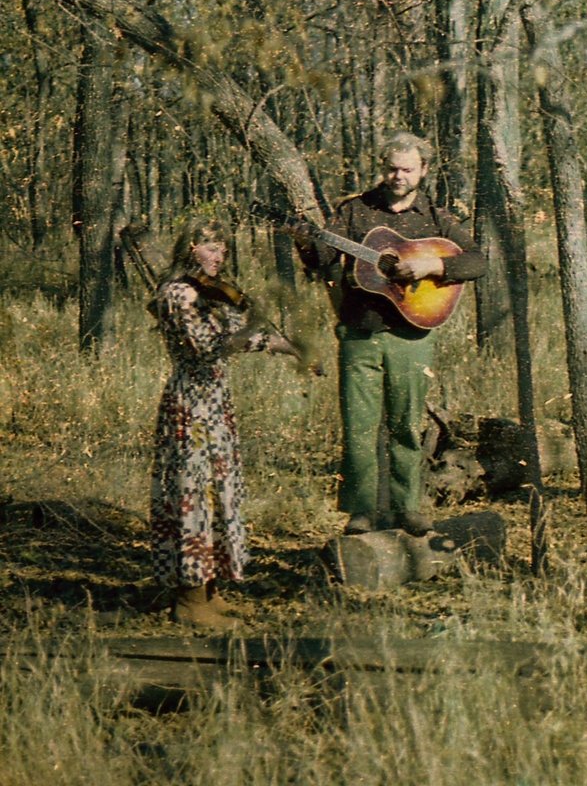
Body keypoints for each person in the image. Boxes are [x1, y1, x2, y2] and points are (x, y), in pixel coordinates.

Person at [296, 131, 487, 537]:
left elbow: (476, 261)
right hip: (359, 333)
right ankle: (362, 511)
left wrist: (432, 268)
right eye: (391, 168)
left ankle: (409, 507)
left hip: (412, 332)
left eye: (407, 169)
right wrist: (304, 240)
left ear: (423, 171)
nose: (397, 176)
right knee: (359, 425)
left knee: (406, 424)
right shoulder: (354, 212)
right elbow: (322, 257)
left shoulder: (436, 218)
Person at [149, 218, 298, 629]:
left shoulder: (210, 294)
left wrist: (287, 345)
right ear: (191, 247)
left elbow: (240, 334)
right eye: (211, 248)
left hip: (215, 403)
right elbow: (207, 347)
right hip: (190, 407)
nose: (219, 257)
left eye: (223, 250)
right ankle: (189, 600)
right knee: (192, 496)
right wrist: (260, 335)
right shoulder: (177, 293)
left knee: (216, 493)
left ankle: (210, 593)